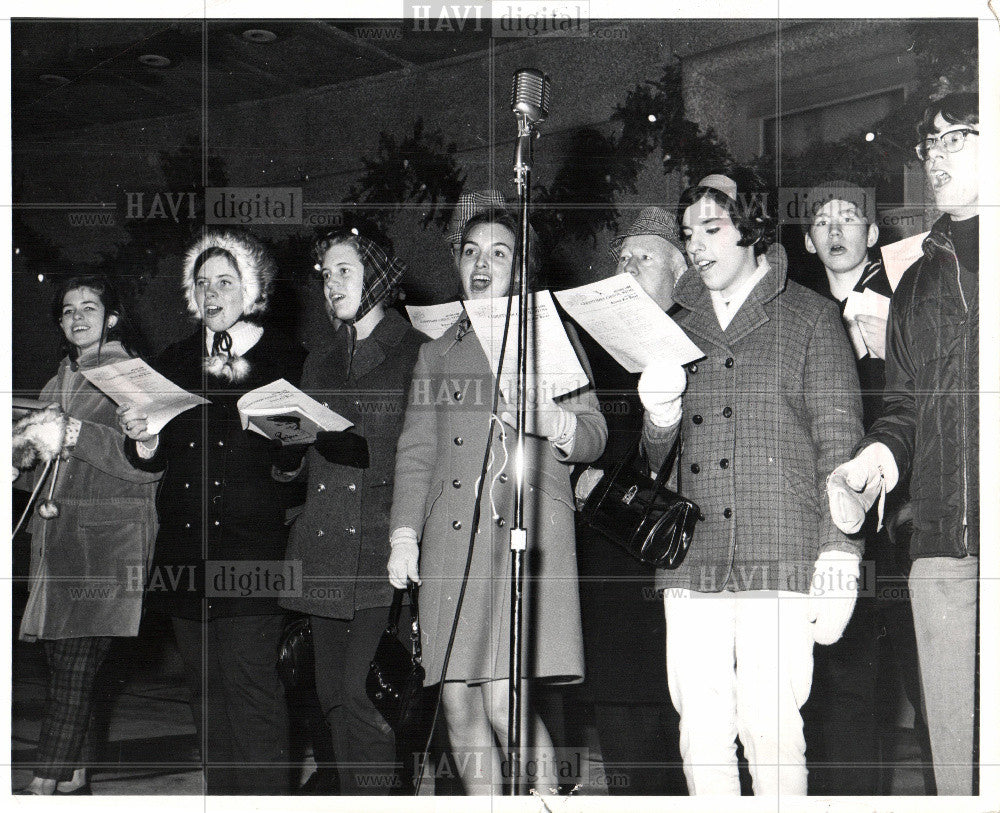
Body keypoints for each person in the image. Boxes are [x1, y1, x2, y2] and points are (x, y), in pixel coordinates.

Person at [640, 169, 864, 795]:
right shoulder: (672, 324)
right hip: (692, 555)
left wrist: (842, 550)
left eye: (712, 230)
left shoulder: (811, 318)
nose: (698, 247)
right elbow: (657, 462)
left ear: (752, 230)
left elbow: (840, 445)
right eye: (689, 235)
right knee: (700, 729)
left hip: (781, 548)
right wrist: (659, 419)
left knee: (772, 727)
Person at [387, 209, 607, 794]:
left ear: (521, 266)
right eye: (471, 252)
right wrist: (404, 534)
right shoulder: (437, 352)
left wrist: (552, 420)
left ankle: (546, 804)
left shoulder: (546, 337)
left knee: (506, 701)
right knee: (457, 704)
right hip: (451, 543)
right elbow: (415, 452)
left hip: (519, 536)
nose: (482, 264)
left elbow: (593, 435)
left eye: (499, 253)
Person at [827, 92, 979, 796]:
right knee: (958, 770)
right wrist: (874, 463)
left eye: (961, 139)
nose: (939, 158)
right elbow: (904, 408)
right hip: (945, 554)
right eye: (932, 145)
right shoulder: (917, 281)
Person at [118, 227, 306, 795]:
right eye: (202, 283)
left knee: (254, 692)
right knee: (205, 695)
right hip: (186, 552)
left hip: (252, 551)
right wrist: (143, 437)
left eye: (225, 281)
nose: (212, 293)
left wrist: (285, 432)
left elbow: (300, 454)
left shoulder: (286, 356)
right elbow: (150, 455)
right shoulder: (173, 361)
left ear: (250, 290)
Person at [276, 229, 429, 794]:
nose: (331, 284)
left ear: (379, 277)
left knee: (365, 691)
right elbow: (303, 467)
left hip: (380, 545)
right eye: (326, 275)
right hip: (324, 548)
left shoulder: (415, 352)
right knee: (329, 695)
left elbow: (419, 453)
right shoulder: (319, 360)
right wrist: (286, 448)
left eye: (344, 270)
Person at [13, 275, 161, 795]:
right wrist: (20, 457)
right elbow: (42, 473)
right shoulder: (56, 384)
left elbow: (149, 465)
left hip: (107, 544)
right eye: (68, 310)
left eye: (90, 307)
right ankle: (75, 774)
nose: (78, 317)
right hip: (57, 543)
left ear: (112, 317)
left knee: (73, 670)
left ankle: (41, 784)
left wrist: (77, 433)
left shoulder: (133, 378)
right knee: (67, 666)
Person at [570, 206, 687, 794]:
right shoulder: (592, 349)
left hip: (687, 555)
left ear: (681, 271)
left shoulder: (702, 338)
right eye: (622, 257)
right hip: (613, 561)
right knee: (622, 714)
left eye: (645, 256)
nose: (628, 265)